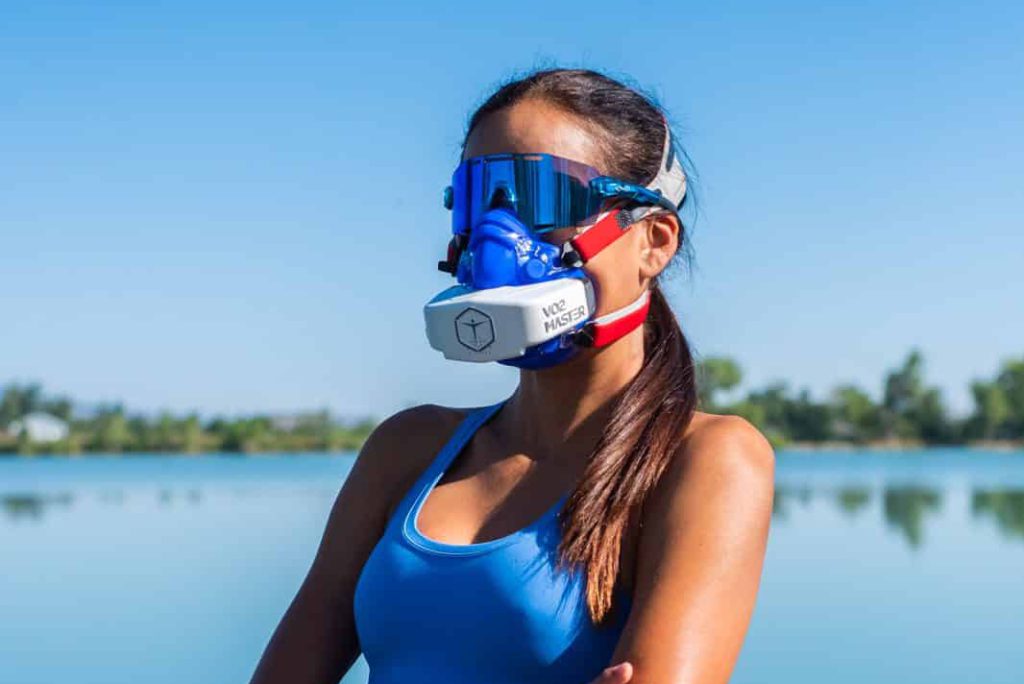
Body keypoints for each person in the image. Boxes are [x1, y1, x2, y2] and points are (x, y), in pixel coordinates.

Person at [249, 67, 774, 684]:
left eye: (545, 198)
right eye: (481, 199)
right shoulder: (407, 450)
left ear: (653, 241)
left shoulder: (705, 460)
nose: (500, 238)